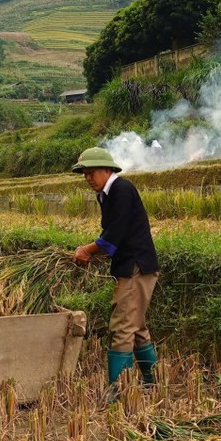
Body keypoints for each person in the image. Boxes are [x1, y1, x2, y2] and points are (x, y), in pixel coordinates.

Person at [70, 147, 159, 395]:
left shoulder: (121, 189)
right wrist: (97, 250)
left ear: (107, 169)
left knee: (122, 326)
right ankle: (152, 382)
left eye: (92, 172)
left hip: (135, 267)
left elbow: (114, 234)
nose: (88, 178)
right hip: (128, 265)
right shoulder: (105, 195)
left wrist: (88, 250)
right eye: (84, 173)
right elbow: (111, 236)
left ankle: (118, 391)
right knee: (136, 326)